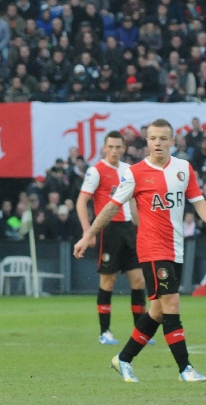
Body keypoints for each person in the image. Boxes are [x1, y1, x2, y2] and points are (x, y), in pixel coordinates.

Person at [73, 119, 206, 383]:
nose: (158, 143)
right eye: (153, 138)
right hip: (152, 248)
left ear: (172, 141)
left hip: (176, 248)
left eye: (163, 138)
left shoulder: (183, 169)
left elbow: (199, 201)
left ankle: (123, 359)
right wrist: (89, 235)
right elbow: (111, 207)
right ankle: (185, 368)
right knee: (172, 303)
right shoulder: (135, 173)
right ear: (147, 142)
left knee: (157, 311)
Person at [75, 131, 150, 346]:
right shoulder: (96, 171)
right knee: (109, 280)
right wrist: (87, 231)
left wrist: (141, 226)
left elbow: (134, 203)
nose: (115, 151)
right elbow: (82, 202)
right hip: (108, 230)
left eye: (119, 147)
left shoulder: (129, 170)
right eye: (111, 147)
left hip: (129, 230)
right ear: (104, 148)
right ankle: (105, 331)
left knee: (138, 279)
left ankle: (140, 332)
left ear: (124, 148)